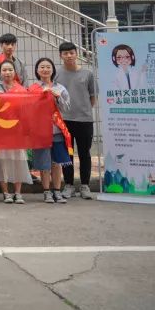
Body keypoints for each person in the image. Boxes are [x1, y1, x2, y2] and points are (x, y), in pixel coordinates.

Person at [29, 57, 72, 204]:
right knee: (44, 163)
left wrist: (57, 96)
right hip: (40, 131)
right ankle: (46, 191)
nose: (45, 69)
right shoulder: (33, 88)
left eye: (48, 67)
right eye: (42, 67)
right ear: (37, 70)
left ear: (53, 70)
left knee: (57, 162)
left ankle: (57, 191)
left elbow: (66, 108)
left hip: (57, 130)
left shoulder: (60, 88)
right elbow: (28, 109)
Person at [57, 41, 96, 200]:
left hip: (84, 120)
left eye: (72, 53)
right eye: (65, 53)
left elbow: (93, 97)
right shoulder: (57, 74)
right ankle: (69, 185)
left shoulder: (87, 74)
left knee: (84, 153)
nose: (69, 56)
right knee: (67, 154)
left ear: (76, 54)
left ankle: (85, 185)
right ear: (61, 56)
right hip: (64, 120)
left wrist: (83, 110)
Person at [0, 59, 33, 204]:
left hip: (17, 131)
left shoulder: (21, 90)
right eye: (4, 70)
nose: (7, 72)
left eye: (10, 70)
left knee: (18, 161)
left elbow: (27, 111)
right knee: (2, 161)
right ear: (0, 73)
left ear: (15, 72)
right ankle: (6, 193)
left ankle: (18, 192)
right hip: (0, 131)